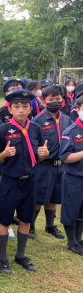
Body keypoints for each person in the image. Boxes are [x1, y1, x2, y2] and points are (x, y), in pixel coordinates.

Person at [0, 90, 49, 275]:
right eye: (17, 106)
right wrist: (4, 154)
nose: (21, 110)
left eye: (25, 106)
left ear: (30, 109)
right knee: (4, 220)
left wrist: (44, 155)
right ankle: (3, 259)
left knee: (26, 219)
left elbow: (39, 156)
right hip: (10, 182)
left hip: (30, 182)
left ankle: (20, 255)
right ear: (10, 109)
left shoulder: (36, 129)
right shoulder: (3, 130)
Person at [30, 85, 71, 239]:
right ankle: (30, 226)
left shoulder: (67, 119)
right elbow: (32, 144)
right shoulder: (37, 121)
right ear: (43, 101)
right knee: (39, 197)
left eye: (58, 99)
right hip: (44, 166)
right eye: (51, 99)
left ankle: (50, 226)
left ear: (63, 100)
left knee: (54, 196)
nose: (55, 102)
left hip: (61, 166)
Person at [59, 97, 83, 255]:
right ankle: (71, 241)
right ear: (78, 109)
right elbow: (65, 157)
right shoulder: (71, 131)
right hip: (74, 177)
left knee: (81, 210)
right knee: (71, 209)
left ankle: (78, 238)